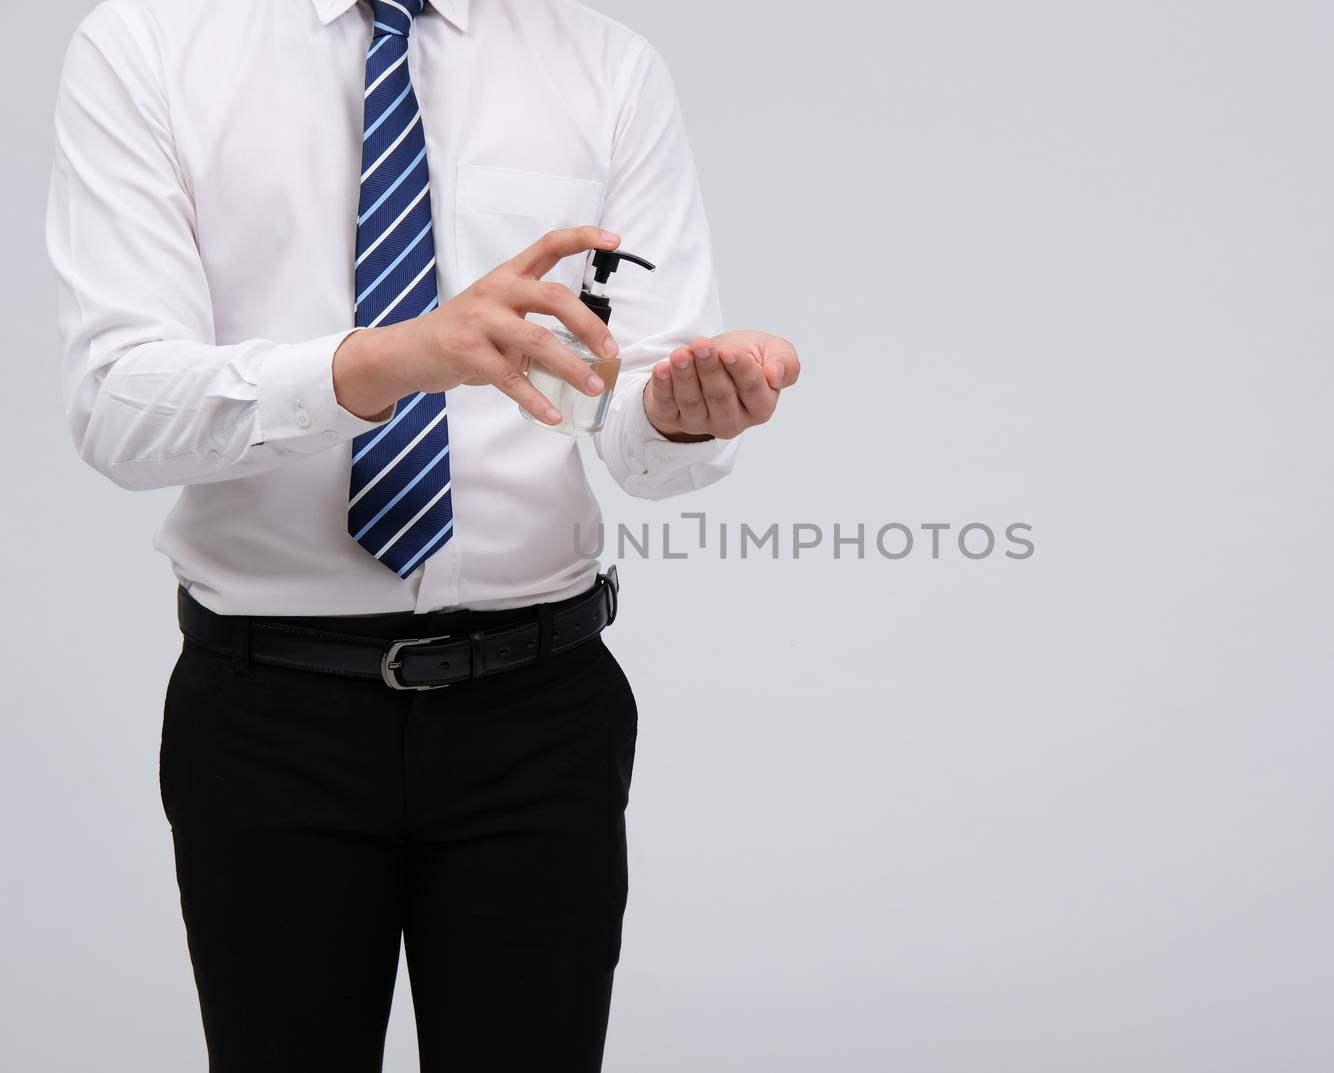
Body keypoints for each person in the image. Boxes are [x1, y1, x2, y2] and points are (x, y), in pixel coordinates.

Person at [46, 0, 800, 1068]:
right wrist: (386, 359)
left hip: (540, 713)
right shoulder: (148, 45)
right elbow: (119, 406)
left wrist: (682, 410)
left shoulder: (605, 66)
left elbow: (628, 415)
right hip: (269, 719)